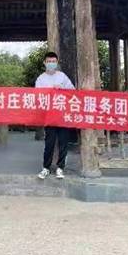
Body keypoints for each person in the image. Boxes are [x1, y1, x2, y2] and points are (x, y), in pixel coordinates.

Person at [36, 51, 75, 180]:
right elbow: (37, 96)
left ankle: (60, 168)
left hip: (63, 115)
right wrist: (48, 91)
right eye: (49, 61)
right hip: (49, 116)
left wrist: (62, 89)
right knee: (49, 143)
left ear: (57, 63)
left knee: (63, 142)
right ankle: (45, 168)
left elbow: (73, 92)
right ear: (44, 63)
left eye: (53, 61)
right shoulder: (41, 79)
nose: (51, 64)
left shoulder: (62, 77)